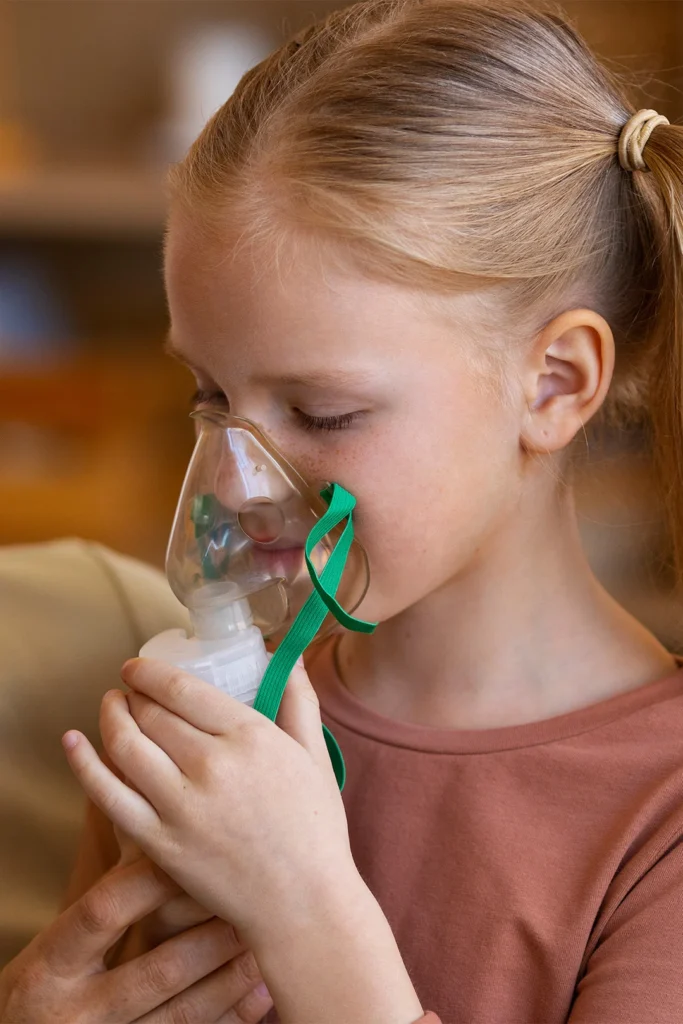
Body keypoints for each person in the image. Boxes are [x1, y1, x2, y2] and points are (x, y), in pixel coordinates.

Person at [3, 0, 683, 1020]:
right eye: (210, 397)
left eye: (324, 412)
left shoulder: (657, 813)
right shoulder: (205, 735)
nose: (234, 484)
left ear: (552, 383)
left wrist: (306, 912)